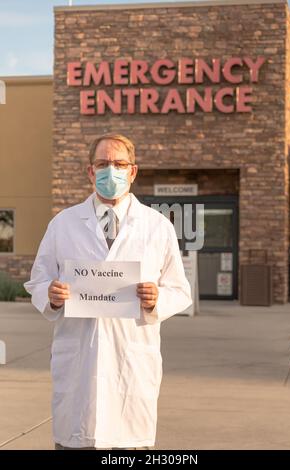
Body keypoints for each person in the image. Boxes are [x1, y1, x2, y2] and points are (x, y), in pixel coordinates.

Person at [24, 133, 192, 450]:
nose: (110, 171)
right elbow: (38, 279)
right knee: (77, 438)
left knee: (128, 443)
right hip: (78, 361)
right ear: (90, 171)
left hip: (132, 359)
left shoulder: (157, 226)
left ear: (132, 171)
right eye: (102, 164)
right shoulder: (63, 224)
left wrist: (158, 299)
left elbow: (180, 289)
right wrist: (51, 294)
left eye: (119, 163)